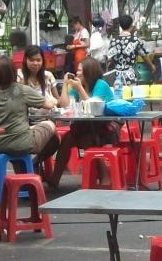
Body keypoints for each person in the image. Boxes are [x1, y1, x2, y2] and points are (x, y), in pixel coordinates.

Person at [0, 55, 61, 174]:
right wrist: (56, 100)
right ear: (13, 72)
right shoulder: (21, 90)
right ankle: (35, 164)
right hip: (21, 143)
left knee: (28, 130)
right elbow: (49, 105)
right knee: (50, 125)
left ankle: (21, 170)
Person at [52, 56, 121, 188]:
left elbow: (94, 108)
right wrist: (65, 85)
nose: (77, 73)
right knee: (67, 139)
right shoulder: (78, 85)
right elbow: (65, 105)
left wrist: (80, 89)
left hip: (106, 127)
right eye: (77, 70)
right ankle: (55, 179)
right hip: (86, 127)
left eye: (80, 70)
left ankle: (105, 177)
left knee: (87, 140)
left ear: (89, 72)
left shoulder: (101, 85)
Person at [105, 14, 155, 87]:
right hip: (130, 76)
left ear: (121, 26)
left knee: (118, 93)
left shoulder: (113, 41)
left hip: (117, 77)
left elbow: (109, 59)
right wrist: (151, 66)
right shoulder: (135, 40)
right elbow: (144, 55)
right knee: (130, 93)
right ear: (131, 25)